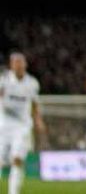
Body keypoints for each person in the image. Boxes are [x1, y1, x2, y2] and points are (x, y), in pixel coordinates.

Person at [0, 53, 45, 194]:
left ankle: (13, 192)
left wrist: (38, 121)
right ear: (11, 65)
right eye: (15, 62)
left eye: (20, 62)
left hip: (22, 126)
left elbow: (35, 104)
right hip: (4, 125)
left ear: (25, 64)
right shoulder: (4, 80)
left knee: (17, 159)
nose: (18, 65)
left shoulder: (32, 83)